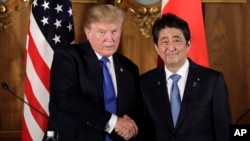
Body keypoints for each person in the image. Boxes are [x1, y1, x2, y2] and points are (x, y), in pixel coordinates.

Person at [45, 4, 143, 141]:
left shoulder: (129, 67)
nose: (110, 39)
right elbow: (66, 99)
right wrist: (114, 122)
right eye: (102, 32)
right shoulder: (68, 57)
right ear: (88, 32)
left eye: (114, 31)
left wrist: (131, 127)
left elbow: (136, 109)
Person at [139, 13, 231, 141]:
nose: (171, 47)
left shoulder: (212, 81)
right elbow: (143, 131)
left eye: (177, 40)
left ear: (189, 44)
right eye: (164, 42)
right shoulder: (145, 83)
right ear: (157, 48)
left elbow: (223, 131)